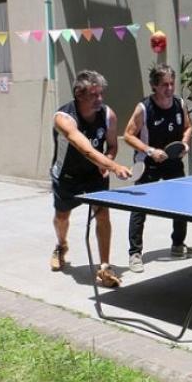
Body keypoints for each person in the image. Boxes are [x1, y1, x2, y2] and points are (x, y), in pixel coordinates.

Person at [49, 70, 131, 287]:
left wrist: (108, 160)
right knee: (62, 217)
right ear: (79, 94)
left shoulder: (108, 115)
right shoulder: (63, 118)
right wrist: (113, 166)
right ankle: (61, 245)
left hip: (96, 174)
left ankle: (104, 267)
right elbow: (85, 149)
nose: (100, 99)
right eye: (94, 95)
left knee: (103, 215)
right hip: (67, 175)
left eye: (101, 94)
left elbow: (112, 145)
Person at [124, 64, 192, 273]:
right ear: (154, 85)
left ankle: (178, 245)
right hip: (148, 164)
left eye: (172, 83)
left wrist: (185, 143)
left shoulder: (179, 103)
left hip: (173, 161)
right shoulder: (144, 108)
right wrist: (149, 150)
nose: (170, 87)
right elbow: (128, 134)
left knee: (181, 205)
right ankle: (135, 253)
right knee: (140, 208)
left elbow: (188, 126)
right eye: (164, 84)